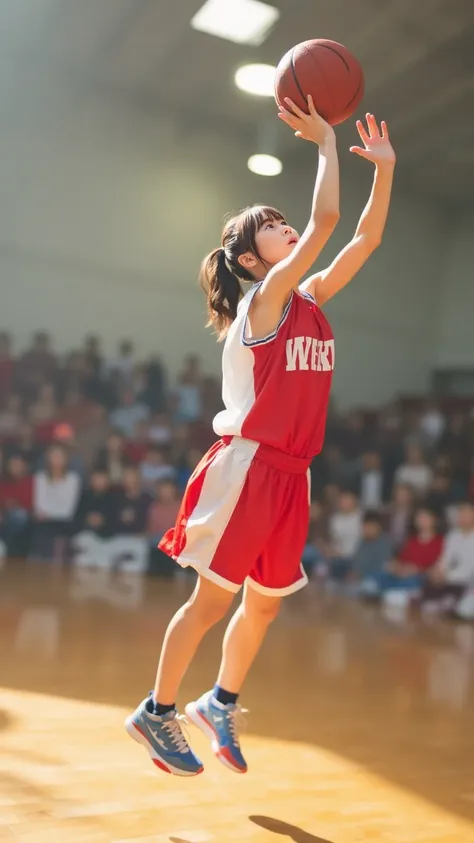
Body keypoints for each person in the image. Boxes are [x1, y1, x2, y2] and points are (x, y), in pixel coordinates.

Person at [126, 99, 395, 776]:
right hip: (246, 467)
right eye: (273, 227)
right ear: (251, 258)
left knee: (266, 606)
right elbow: (329, 220)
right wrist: (327, 145)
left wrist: (383, 172)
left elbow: (362, 239)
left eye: (283, 221)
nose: (287, 228)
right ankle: (155, 711)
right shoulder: (265, 301)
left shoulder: (309, 299)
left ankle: (219, 700)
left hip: (292, 472)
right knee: (212, 600)